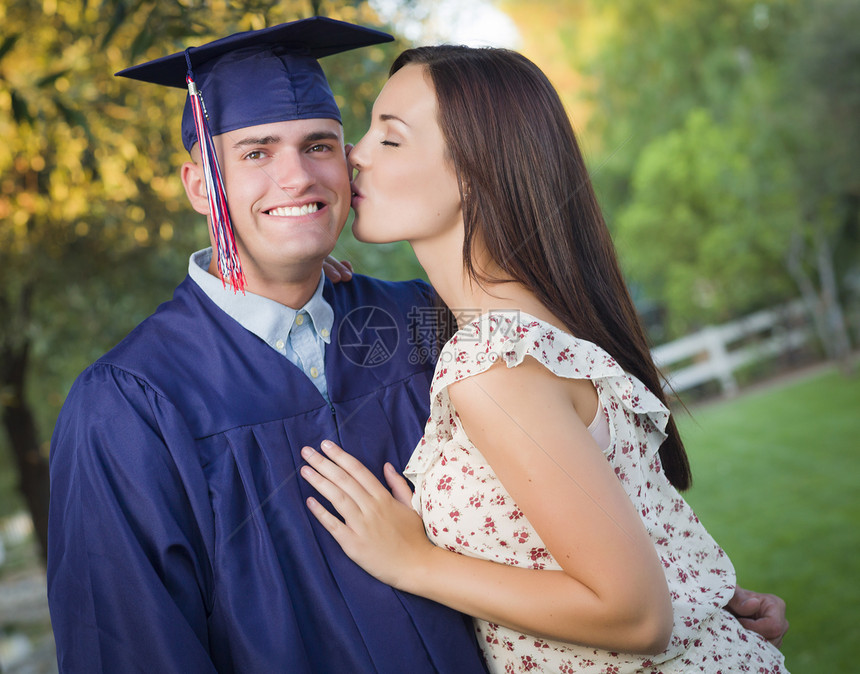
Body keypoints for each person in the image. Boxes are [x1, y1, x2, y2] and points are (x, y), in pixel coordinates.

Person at [299, 46, 790, 673]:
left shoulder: (496, 364)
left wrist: (412, 560)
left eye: (390, 139)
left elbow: (635, 615)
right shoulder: (539, 326)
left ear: (476, 171)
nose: (354, 154)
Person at [46, 18, 488, 673]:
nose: (297, 178)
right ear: (200, 185)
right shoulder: (129, 407)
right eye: (256, 152)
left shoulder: (422, 322)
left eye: (318, 145)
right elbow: (133, 647)